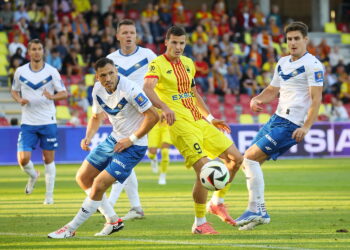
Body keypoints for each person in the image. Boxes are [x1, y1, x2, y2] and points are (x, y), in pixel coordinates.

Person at [143, 26, 243, 234]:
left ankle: (217, 203)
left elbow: (193, 93)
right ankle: (199, 222)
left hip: (200, 121)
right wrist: (164, 107)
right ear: (166, 42)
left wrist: (211, 118)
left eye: (182, 43)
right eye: (174, 43)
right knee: (204, 170)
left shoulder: (189, 64)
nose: (178, 47)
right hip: (180, 125)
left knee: (236, 159)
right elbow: (147, 88)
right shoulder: (157, 64)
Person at [48, 58, 158, 238]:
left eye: (111, 73)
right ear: (97, 78)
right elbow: (96, 116)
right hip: (114, 139)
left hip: (134, 146)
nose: (108, 78)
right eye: (103, 75)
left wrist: (131, 139)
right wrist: (88, 136)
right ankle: (113, 221)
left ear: (116, 70)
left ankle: (70, 229)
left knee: (98, 184)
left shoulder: (130, 89)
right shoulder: (98, 90)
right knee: (83, 177)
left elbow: (153, 116)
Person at [235, 22, 324, 230]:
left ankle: (258, 210)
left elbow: (316, 99)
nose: (292, 43)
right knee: (246, 161)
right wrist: (257, 99)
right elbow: (273, 89)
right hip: (276, 119)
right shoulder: (282, 62)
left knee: (249, 158)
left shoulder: (313, 65)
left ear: (305, 40)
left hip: (291, 125)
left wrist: (306, 127)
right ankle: (257, 212)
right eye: (289, 39)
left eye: (296, 39)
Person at [106, 19, 157, 220]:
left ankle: (109, 205)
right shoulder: (110, 59)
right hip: (119, 115)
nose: (129, 36)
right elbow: (104, 85)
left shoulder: (148, 56)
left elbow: (158, 80)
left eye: (132, 33)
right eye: (125, 32)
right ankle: (136, 207)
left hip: (141, 114)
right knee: (124, 160)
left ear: (136, 36)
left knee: (122, 157)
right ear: (118, 36)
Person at [11, 39, 68, 204]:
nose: (36, 52)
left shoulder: (52, 72)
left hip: (47, 121)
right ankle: (33, 175)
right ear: (29, 52)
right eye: (33, 49)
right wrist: (19, 99)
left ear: (43, 51)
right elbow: (14, 91)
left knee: (48, 159)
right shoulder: (20, 72)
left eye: (39, 49)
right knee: (23, 159)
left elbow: (64, 93)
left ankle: (49, 197)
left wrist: (52, 96)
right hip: (28, 122)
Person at [147, 110, 172, 185]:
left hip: (167, 125)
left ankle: (163, 175)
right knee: (152, 153)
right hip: (154, 125)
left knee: (165, 151)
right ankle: (153, 159)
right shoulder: (151, 97)